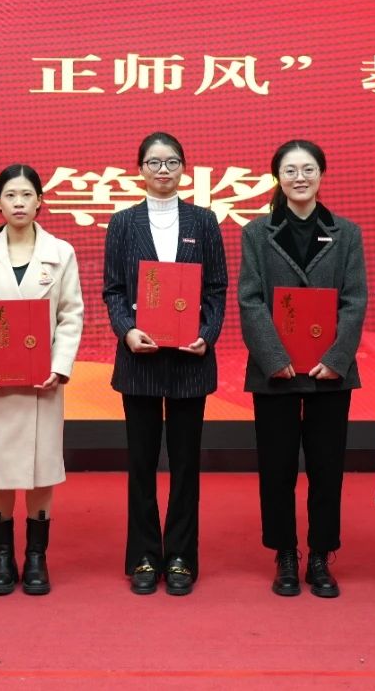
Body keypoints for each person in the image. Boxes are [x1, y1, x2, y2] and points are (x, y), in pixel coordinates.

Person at [237, 140, 367, 598]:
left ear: (321, 175)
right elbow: (250, 300)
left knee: (327, 469)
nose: (300, 177)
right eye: (290, 170)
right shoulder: (256, 232)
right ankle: (286, 554)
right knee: (277, 468)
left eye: (308, 169)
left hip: (330, 373)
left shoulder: (346, 233)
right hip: (276, 372)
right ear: (278, 177)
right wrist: (275, 359)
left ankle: (320, 555)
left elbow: (355, 300)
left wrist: (336, 358)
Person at [102, 132, 228, 596]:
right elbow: (113, 290)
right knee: (141, 464)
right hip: (140, 359)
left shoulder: (204, 220)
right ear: (140, 169)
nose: (163, 170)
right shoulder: (122, 223)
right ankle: (143, 555)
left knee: (185, 465)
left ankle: (180, 557)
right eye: (154, 162)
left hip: (189, 361)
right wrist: (126, 330)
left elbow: (216, 288)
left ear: (183, 169)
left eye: (172, 162)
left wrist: (206, 335)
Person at [0, 164, 83, 596]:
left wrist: (59, 366)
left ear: (39, 201)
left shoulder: (61, 252)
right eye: (10, 195)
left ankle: (35, 557)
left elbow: (71, 315)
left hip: (42, 383)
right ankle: (2, 558)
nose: (18, 203)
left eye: (26, 195)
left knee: (41, 469)